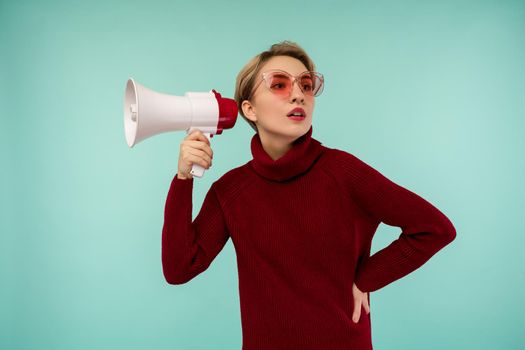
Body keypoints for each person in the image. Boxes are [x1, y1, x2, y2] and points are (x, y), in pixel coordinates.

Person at [162, 40, 456, 350]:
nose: (298, 94)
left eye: (306, 84)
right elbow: (180, 268)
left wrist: (366, 279)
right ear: (249, 109)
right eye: (279, 84)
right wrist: (184, 178)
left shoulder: (343, 172)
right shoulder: (231, 191)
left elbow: (435, 229)